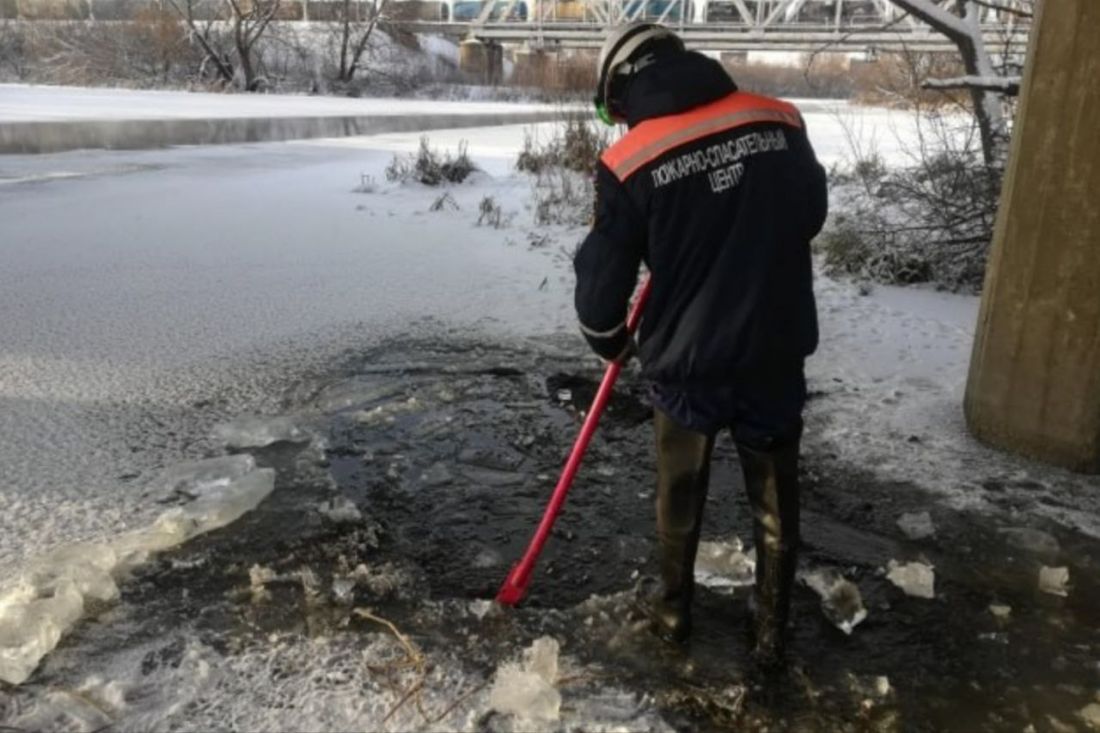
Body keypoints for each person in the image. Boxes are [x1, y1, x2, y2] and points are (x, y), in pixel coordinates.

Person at [573, 22, 828, 666]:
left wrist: (610, 340)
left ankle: (673, 614)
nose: (619, 121)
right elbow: (810, 213)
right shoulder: (781, 119)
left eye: (615, 109)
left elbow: (603, 284)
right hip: (774, 347)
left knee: (679, 493)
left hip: (688, 364)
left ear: (622, 86)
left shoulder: (630, 160)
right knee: (775, 496)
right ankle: (770, 628)